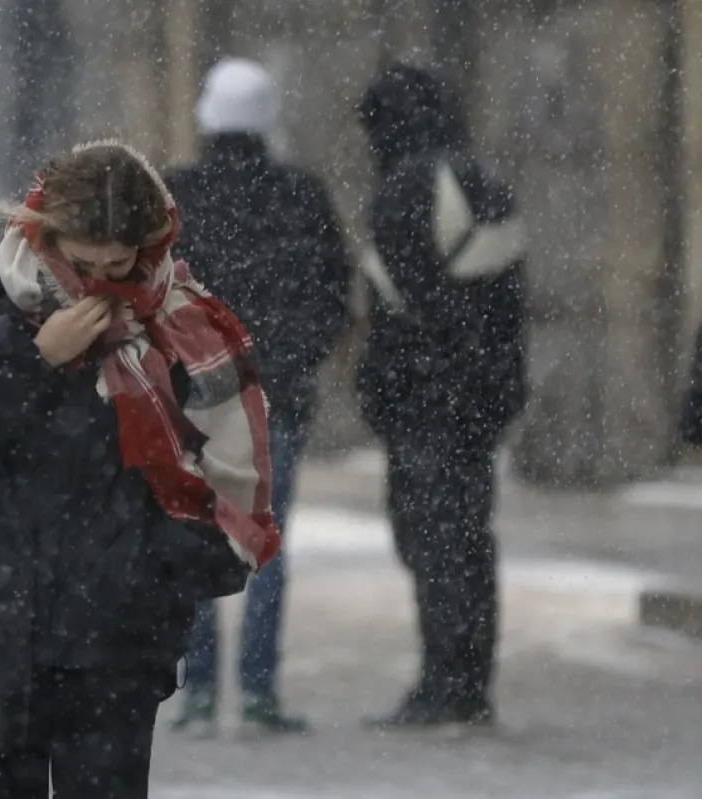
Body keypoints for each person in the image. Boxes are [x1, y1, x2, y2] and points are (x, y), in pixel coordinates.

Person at [0, 141, 280, 798]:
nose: (99, 282)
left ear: (148, 247)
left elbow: (229, 478)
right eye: (81, 262)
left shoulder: (180, 319)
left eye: (118, 265)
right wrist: (30, 355)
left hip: (116, 645)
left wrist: (158, 571)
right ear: (43, 235)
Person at [163, 57, 352, 735]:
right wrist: (291, 362)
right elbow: (333, 293)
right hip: (275, 397)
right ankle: (259, 690)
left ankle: (199, 690)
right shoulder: (302, 195)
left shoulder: (174, 197)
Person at [356, 64, 528, 731]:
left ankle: (445, 683)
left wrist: (383, 390)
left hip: (426, 400)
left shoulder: (409, 185)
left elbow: (405, 307)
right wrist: (496, 384)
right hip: (475, 396)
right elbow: (502, 305)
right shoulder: (485, 181)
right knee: (468, 540)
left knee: (432, 541)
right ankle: (469, 681)